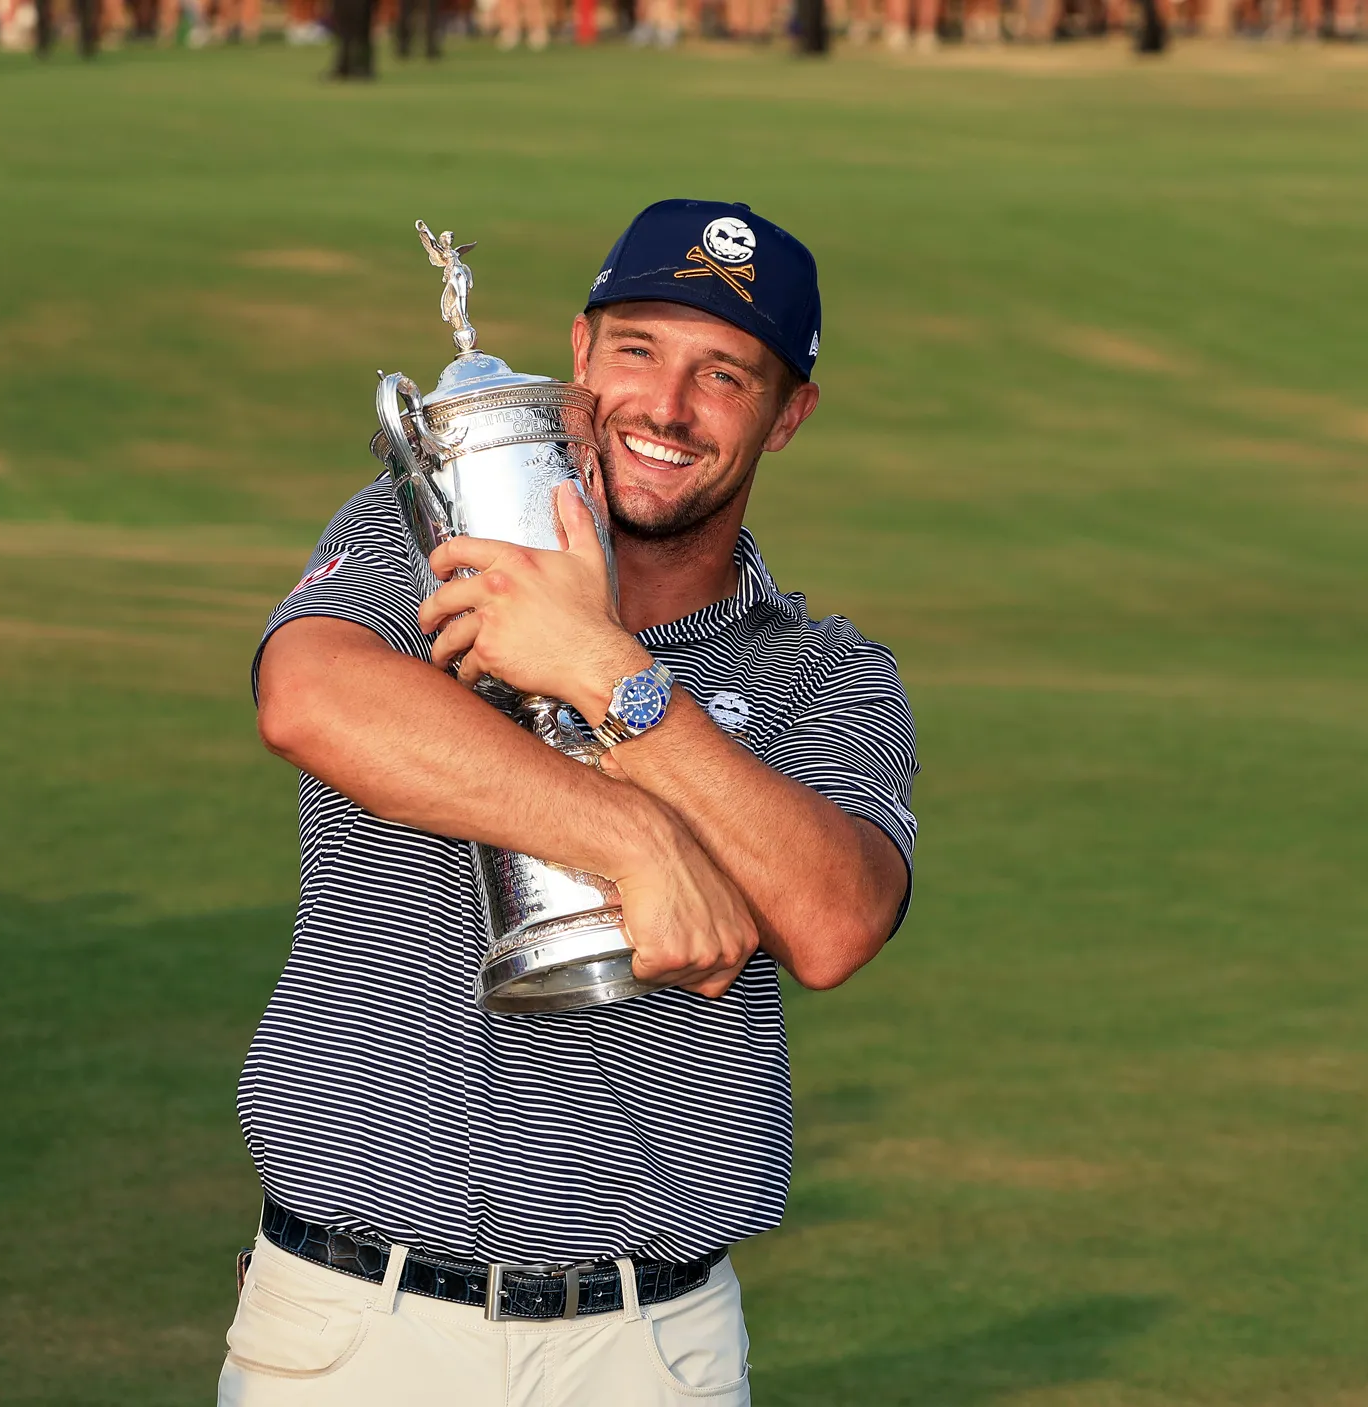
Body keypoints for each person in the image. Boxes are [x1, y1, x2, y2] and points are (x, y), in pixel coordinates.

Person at [228, 199, 918, 1405]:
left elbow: (835, 916)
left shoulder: (824, 670)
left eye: (724, 375)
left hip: (647, 1350)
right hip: (357, 1330)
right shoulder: (432, 526)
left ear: (786, 414)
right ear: (581, 357)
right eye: (640, 352)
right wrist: (633, 837)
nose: (667, 406)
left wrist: (607, 673)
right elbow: (309, 697)